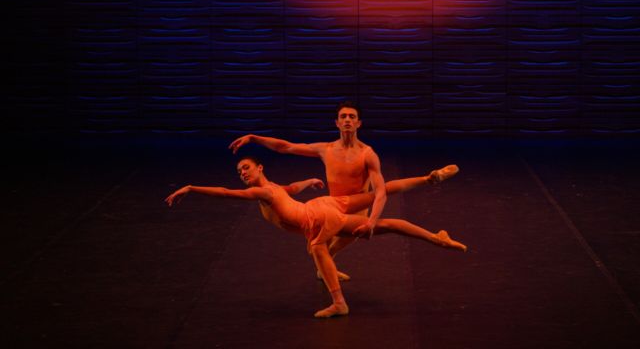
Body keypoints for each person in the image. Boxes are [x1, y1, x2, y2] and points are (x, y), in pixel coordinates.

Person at [165, 157, 465, 318]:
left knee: (317, 248)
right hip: (324, 207)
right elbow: (292, 189)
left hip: (317, 217)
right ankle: (432, 202)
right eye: (239, 170)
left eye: (246, 167)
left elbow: (227, 194)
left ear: (260, 168)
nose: (242, 172)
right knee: (379, 208)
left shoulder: (262, 191)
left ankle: (338, 303)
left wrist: (192, 188)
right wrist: (308, 181)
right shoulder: (274, 189)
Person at [229, 102, 429, 280]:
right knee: (320, 248)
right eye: (343, 117)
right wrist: (254, 138)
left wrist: (371, 221)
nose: (348, 120)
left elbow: (381, 192)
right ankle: (329, 278)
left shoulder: (368, 154)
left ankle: (428, 178)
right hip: (335, 206)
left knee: (328, 246)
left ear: (359, 123)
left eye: (352, 117)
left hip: (357, 207)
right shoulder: (326, 149)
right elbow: (286, 147)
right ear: (337, 123)